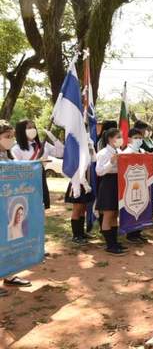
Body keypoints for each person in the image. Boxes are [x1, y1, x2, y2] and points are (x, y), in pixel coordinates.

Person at [0, 120, 32, 297]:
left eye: (12, 136)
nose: (11, 140)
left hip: (9, 206)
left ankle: (9, 275)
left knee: (10, 241)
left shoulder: (9, 155)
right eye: (7, 137)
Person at [12, 120, 64, 209]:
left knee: (40, 208)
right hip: (25, 183)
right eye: (29, 128)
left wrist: (54, 138)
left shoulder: (43, 145)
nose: (32, 130)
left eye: (33, 127)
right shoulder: (16, 149)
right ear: (21, 130)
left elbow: (61, 152)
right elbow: (16, 167)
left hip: (40, 179)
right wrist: (35, 163)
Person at [95, 128, 127, 256]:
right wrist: (111, 161)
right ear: (110, 139)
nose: (120, 139)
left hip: (118, 183)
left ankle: (114, 241)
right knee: (108, 215)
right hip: (108, 183)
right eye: (117, 137)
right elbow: (99, 171)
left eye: (121, 136)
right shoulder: (103, 153)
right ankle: (109, 245)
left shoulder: (119, 151)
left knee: (114, 214)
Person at [65, 134, 96, 245]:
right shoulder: (75, 151)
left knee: (83, 208)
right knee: (77, 209)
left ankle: (81, 233)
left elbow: (94, 159)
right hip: (78, 183)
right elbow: (76, 170)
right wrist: (84, 183)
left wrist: (91, 147)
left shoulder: (87, 150)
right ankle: (76, 235)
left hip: (86, 182)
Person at [121, 128, 151, 244]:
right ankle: (131, 234)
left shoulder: (143, 151)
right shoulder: (125, 153)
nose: (138, 140)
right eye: (135, 138)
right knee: (131, 209)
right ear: (129, 139)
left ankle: (138, 232)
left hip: (142, 185)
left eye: (140, 138)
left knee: (141, 208)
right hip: (129, 186)